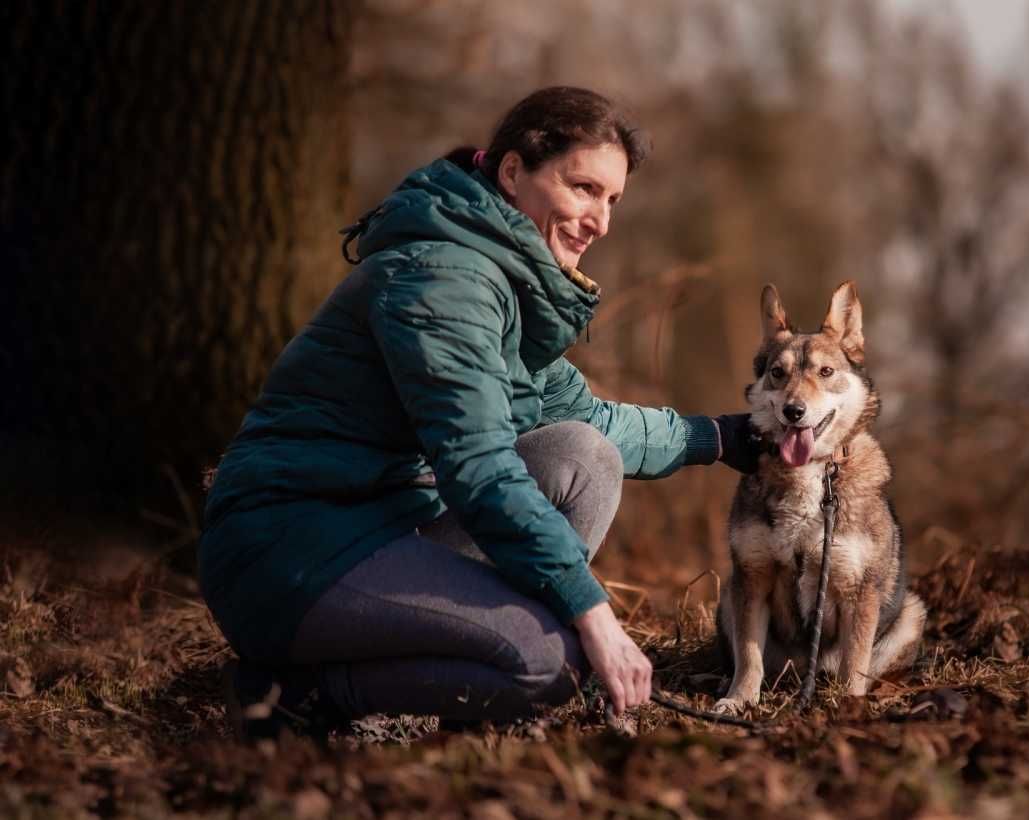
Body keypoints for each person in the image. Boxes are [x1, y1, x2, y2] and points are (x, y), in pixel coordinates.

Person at [199, 86, 759, 740]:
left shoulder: (502, 281)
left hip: (383, 527)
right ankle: (294, 696)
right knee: (547, 662)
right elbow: (479, 466)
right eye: (583, 188)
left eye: (612, 200)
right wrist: (591, 610)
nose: (600, 220)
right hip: (291, 547)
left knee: (582, 456)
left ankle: (471, 711)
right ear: (513, 171)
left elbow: (588, 421)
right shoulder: (444, 276)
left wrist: (716, 437)